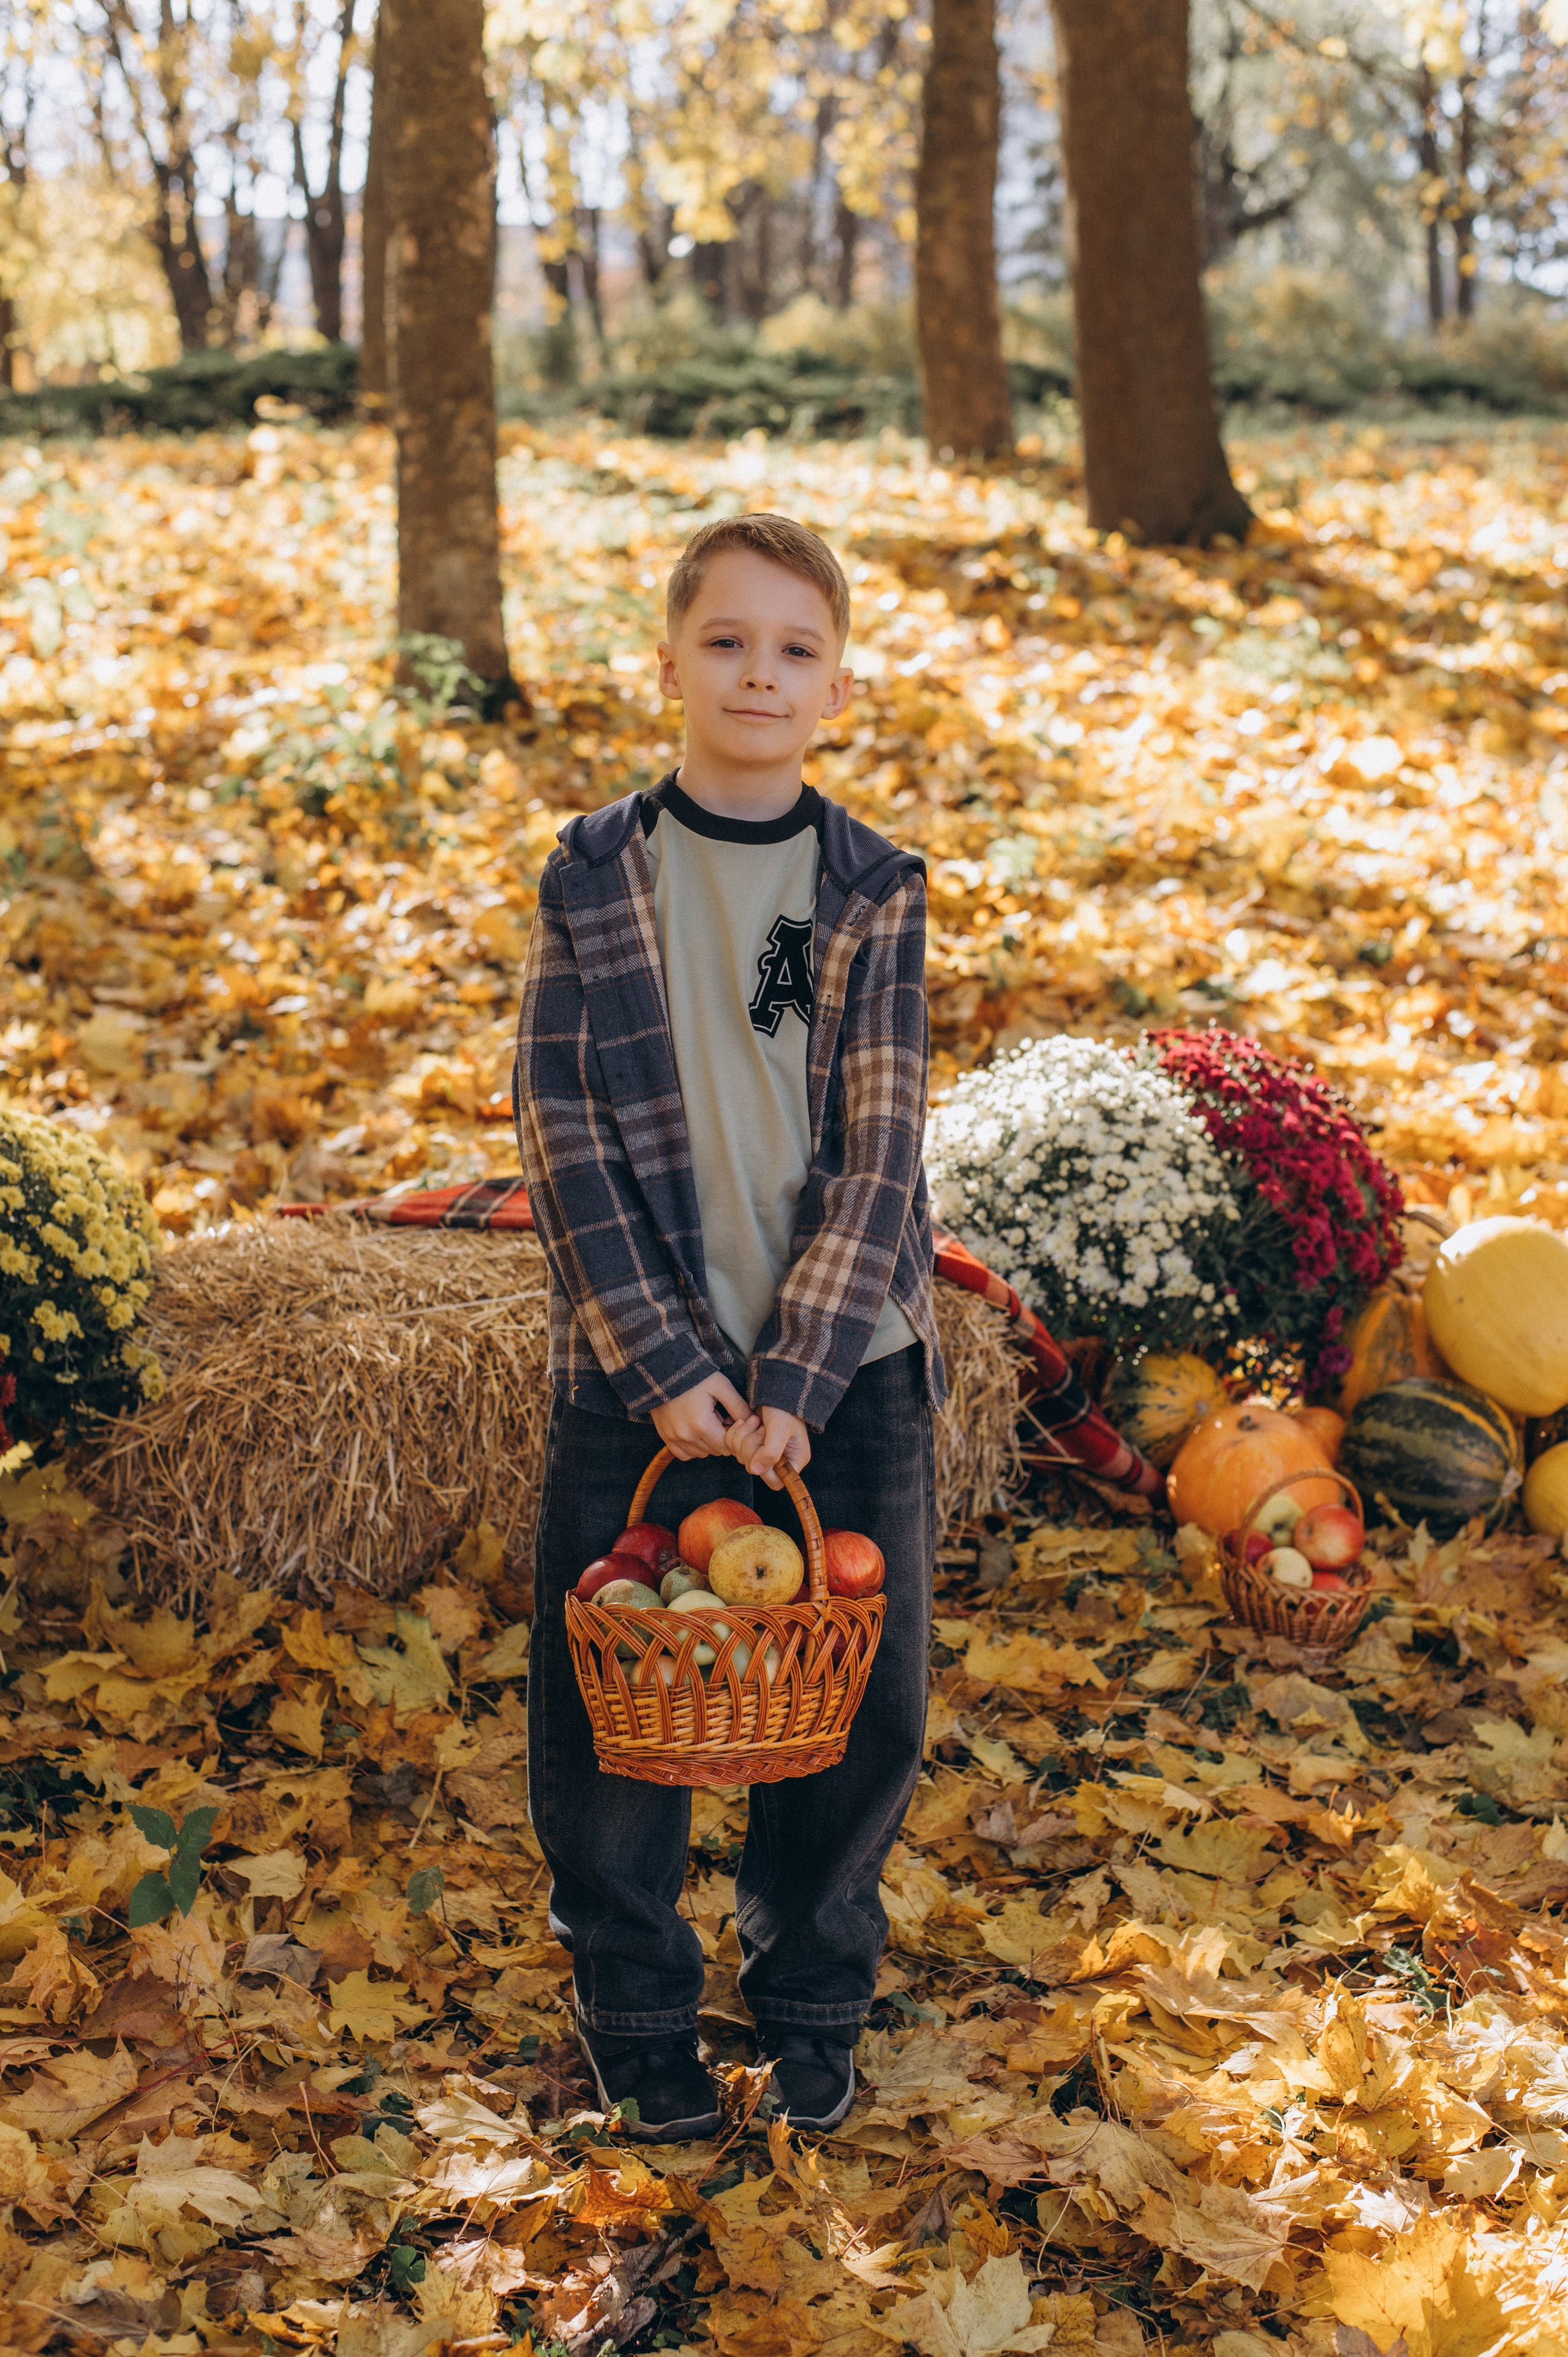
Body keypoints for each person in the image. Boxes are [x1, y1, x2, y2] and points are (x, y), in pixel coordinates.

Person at [513, 512, 944, 2140]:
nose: (760, 673)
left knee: (855, 1696)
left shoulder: (869, 889)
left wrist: (797, 1382)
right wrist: (675, 1370)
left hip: (851, 1373)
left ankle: (813, 1994)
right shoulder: (595, 875)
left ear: (838, 683)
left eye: (796, 647)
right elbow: (563, 1133)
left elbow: (880, 1145)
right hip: (639, 1371)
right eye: (727, 641)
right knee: (616, 1704)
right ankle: (633, 2004)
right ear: (671, 659)